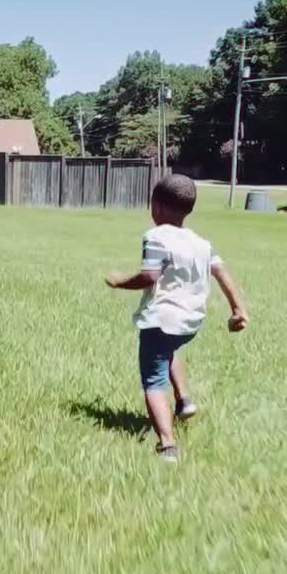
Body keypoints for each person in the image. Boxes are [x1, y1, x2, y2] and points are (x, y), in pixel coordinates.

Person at [106, 174, 249, 463]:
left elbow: (149, 276)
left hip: (162, 318)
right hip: (190, 322)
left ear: (156, 207)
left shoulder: (156, 236)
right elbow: (222, 273)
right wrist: (238, 309)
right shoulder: (201, 243)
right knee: (169, 349)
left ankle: (168, 445)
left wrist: (120, 282)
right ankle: (184, 401)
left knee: (154, 380)